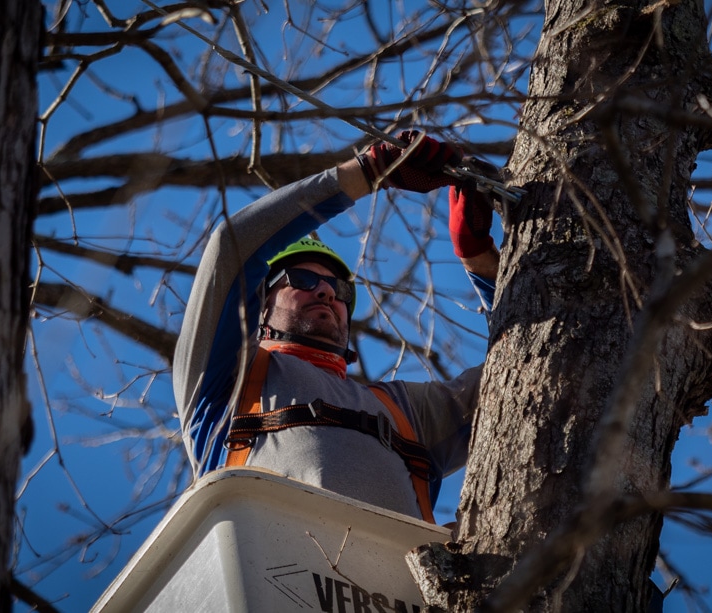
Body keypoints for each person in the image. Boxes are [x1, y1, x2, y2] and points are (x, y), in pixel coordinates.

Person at [172, 131, 499, 522]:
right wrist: (369, 171)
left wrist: (482, 264)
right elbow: (233, 247)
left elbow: (522, 369)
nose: (327, 292)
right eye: (304, 280)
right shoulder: (223, 383)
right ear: (261, 308)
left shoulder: (405, 410)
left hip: (402, 580)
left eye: (339, 288)